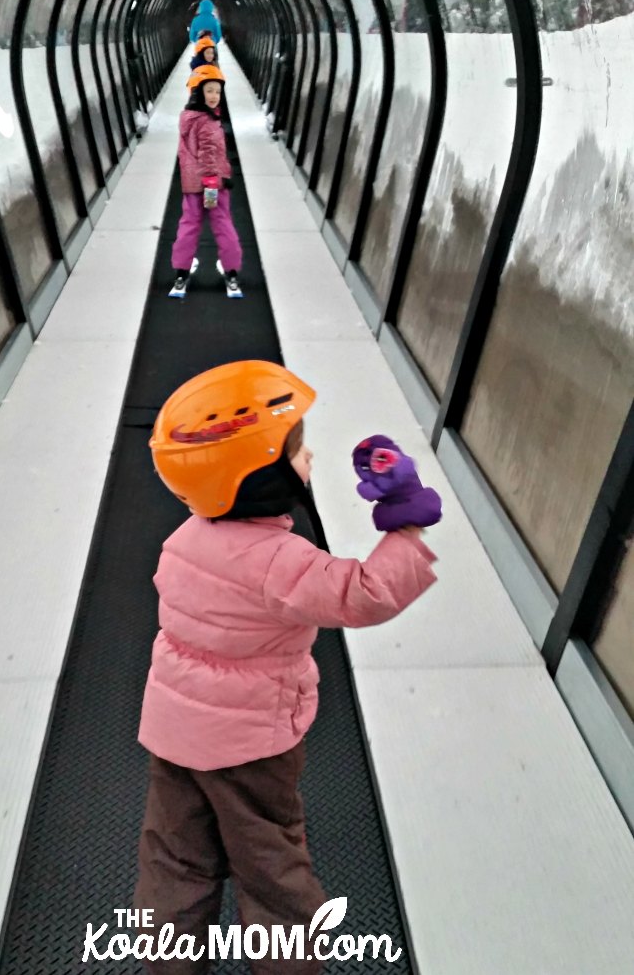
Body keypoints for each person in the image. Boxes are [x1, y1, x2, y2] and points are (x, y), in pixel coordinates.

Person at [133, 359, 441, 973]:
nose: (311, 461)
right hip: (252, 749)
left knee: (174, 863)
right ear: (258, 478)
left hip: (172, 737)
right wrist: (405, 528)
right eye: (298, 452)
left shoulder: (184, 540)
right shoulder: (281, 560)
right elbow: (363, 595)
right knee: (271, 869)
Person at [170, 65, 242, 299]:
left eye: (218, 92)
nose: (214, 96)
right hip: (212, 186)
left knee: (189, 225)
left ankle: (182, 269)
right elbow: (210, 155)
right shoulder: (208, 123)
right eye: (209, 91)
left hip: (191, 187)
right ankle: (231, 269)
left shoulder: (188, 118)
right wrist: (212, 184)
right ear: (197, 92)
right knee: (222, 225)